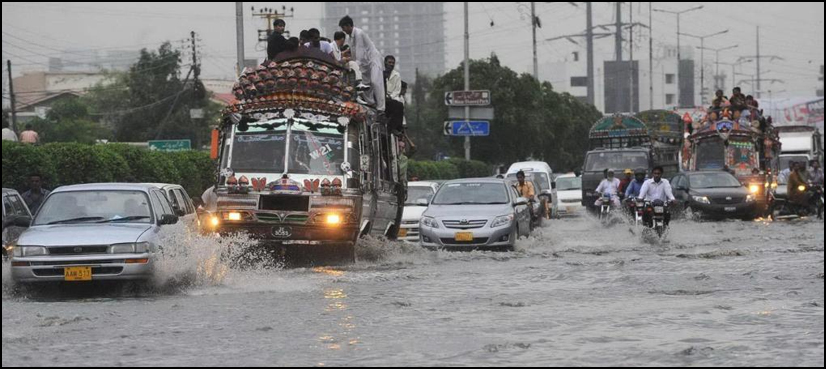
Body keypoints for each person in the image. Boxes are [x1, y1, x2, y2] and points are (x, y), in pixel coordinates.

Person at [339, 15, 386, 114]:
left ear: (348, 25)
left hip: (373, 59)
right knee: (365, 83)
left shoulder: (359, 33)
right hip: (364, 63)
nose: (344, 31)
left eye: (343, 28)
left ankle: (381, 108)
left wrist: (355, 64)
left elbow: (359, 52)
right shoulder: (350, 38)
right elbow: (353, 53)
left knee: (375, 82)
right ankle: (371, 103)